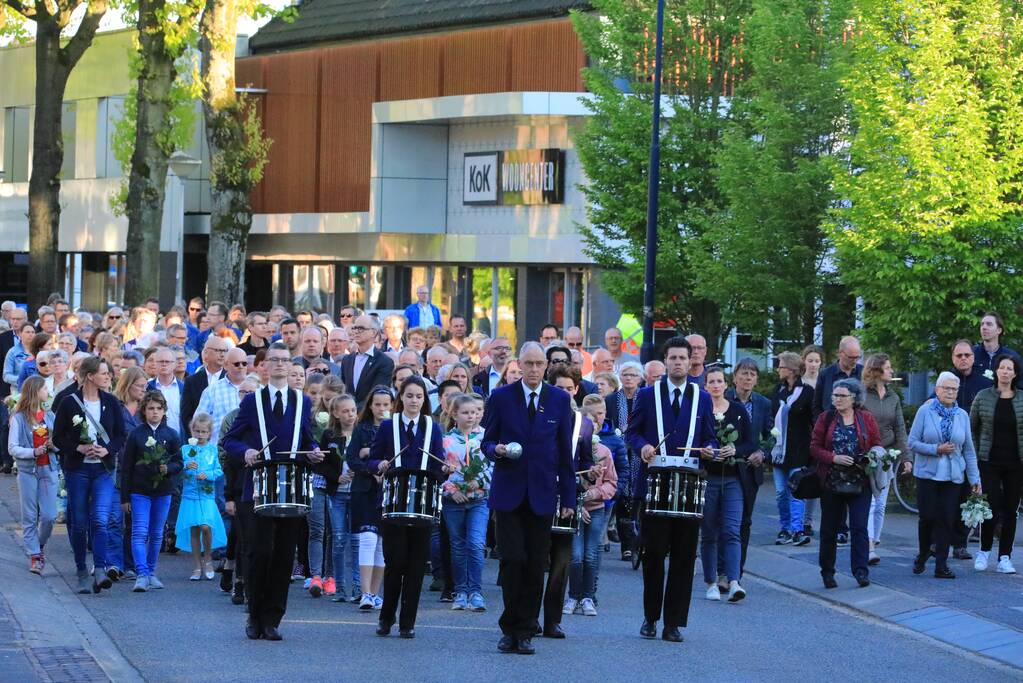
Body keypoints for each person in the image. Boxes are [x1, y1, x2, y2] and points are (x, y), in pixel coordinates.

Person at [222, 342, 324, 641]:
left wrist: (315, 451)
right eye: (274, 360)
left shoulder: (301, 401)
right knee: (258, 552)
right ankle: (254, 615)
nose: (280, 365)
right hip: (258, 488)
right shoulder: (252, 401)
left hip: (291, 487)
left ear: (292, 367)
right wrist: (247, 451)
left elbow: (306, 438)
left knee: (284, 555)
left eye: (285, 360)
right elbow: (230, 440)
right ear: (264, 367)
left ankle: (273, 618)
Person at [482, 342, 576, 655]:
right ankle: (509, 627)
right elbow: (487, 440)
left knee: (536, 564)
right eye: (529, 364)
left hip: (543, 493)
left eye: (539, 364)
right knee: (513, 560)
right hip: (508, 492)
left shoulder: (560, 400)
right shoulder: (501, 397)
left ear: (545, 366)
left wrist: (569, 499)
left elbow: (566, 454)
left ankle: (525, 630)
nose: (534, 369)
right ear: (519, 365)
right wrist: (494, 450)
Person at [626, 336, 717, 643]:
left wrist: (710, 449)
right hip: (655, 483)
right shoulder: (647, 395)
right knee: (653, 554)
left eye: (683, 358)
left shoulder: (701, 397)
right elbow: (632, 433)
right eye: (673, 357)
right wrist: (644, 447)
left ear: (691, 361)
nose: (678, 362)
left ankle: (673, 622)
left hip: (689, 486)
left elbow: (710, 437)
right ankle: (651, 617)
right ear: (665, 361)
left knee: (683, 555)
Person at [369, 376, 447, 639]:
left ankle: (408, 622)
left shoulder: (432, 428)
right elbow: (374, 458)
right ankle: (386, 617)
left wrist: (445, 470)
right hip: (394, 503)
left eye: (419, 396)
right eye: (410, 395)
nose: (414, 401)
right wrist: (378, 465)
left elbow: (438, 465)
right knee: (395, 563)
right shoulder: (388, 427)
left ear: (424, 400)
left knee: (415, 566)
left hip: (423, 505)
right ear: (400, 397)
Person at [53, 356, 126, 594]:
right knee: (79, 522)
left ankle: (101, 568)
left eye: (108, 373)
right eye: (104, 373)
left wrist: (107, 449)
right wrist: (78, 447)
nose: (108, 377)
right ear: (90, 375)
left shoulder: (112, 402)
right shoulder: (68, 402)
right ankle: (81, 570)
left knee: (100, 519)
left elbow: (120, 435)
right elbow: (58, 438)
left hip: (103, 469)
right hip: (78, 469)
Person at [908, 372, 981, 579]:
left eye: (954, 389)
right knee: (927, 518)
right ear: (937, 389)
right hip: (927, 475)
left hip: (953, 476)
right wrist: (936, 449)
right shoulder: (925, 411)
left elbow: (968, 449)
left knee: (947, 520)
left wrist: (975, 479)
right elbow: (912, 442)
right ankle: (923, 554)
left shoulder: (962, 415)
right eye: (946, 388)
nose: (950, 392)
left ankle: (941, 564)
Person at [810, 378, 882, 588]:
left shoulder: (865, 418)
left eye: (843, 396)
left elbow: (877, 444)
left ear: (854, 398)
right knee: (829, 529)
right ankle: (828, 572)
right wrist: (833, 457)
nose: (838, 399)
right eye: (835, 395)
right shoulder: (826, 418)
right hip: (832, 482)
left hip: (860, 482)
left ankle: (860, 572)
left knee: (859, 527)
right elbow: (814, 447)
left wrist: (872, 456)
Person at [119, 390, 183, 592]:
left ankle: (151, 571)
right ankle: (142, 573)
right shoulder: (136, 434)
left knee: (157, 534)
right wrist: (124, 496)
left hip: (163, 491)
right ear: (144, 411)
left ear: (164, 411)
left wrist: (168, 469)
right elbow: (126, 466)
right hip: (139, 491)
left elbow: (179, 462)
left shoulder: (171, 434)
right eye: (150, 408)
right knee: (139, 532)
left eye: (158, 408)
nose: (155, 412)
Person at [969, 354, 1022, 574]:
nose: (1006, 372)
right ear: (996, 371)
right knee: (989, 507)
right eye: (1002, 368)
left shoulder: (1021, 399)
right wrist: (973, 457)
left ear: (1015, 373)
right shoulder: (983, 397)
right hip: (988, 461)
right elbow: (971, 429)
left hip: (1016, 463)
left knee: (1011, 510)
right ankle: (984, 552)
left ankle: (1005, 557)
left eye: (1010, 368)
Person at [701, 367, 749, 602]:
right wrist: (706, 451)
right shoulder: (700, 410)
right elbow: (693, 440)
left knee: (731, 530)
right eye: (712, 381)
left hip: (732, 479)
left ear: (726, 385)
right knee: (709, 531)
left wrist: (736, 449)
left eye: (720, 381)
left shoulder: (738, 411)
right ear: (705, 385)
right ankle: (710, 581)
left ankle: (733, 581)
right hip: (707, 478)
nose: (716, 385)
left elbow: (750, 443)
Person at [566, 396, 617, 617]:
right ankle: (572, 596)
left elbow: (611, 482)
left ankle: (588, 596)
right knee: (575, 555)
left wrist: (593, 494)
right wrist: (579, 503)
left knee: (590, 554)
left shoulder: (604, 452)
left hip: (596, 509)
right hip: (576, 509)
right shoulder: (570, 452)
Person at [441, 393, 491, 612]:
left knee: (476, 543)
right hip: (454, 502)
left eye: (474, 412)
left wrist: (479, 481)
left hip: (479, 499)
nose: (471, 416)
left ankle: (476, 591)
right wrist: (452, 490)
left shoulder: (486, 439)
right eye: (465, 412)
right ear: (454, 414)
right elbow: (439, 470)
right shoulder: (446, 441)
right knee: (458, 546)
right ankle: (461, 591)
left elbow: (494, 467)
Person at [725, 357, 771, 576]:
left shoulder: (763, 403)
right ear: (734, 377)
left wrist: (762, 453)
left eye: (752, 374)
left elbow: (772, 436)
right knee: (723, 520)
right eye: (744, 373)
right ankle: (721, 568)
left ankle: (736, 570)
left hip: (751, 471)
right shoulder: (724, 399)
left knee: (744, 521)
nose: (748, 377)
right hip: (726, 468)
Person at [861, 354, 908, 565]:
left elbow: (900, 428)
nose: (891, 371)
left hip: (888, 455)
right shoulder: (862, 395)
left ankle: (875, 539)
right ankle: (869, 545)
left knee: (880, 504)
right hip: (868, 455)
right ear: (877, 371)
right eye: (888, 368)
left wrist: (906, 457)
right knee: (870, 502)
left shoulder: (893, 397)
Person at [9, 376, 58, 574]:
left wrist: (55, 446)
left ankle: (39, 546)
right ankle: (35, 556)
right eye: (45, 388)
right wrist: (32, 452)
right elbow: (12, 447)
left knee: (49, 516)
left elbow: (60, 441)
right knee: (29, 516)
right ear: (35, 391)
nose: (47, 392)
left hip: (49, 469)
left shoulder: (50, 416)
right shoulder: (19, 417)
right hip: (28, 471)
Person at [349, 387, 392, 610]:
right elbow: (352, 459)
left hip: (387, 490)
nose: (382, 409)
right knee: (367, 538)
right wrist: (370, 470)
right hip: (365, 489)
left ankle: (375, 593)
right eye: (377, 404)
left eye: (386, 404)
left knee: (381, 543)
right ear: (370, 406)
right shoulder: (362, 429)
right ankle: (365, 592)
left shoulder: (395, 429)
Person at [316, 394, 361, 602]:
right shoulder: (330, 435)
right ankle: (340, 586)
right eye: (345, 411)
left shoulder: (362, 433)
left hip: (358, 493)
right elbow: (321, 463)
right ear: (335, 413)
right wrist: (337, 477)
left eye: (352, 410)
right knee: (338, 539)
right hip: (337, 494)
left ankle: (359, 586)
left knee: (357, 540)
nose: (350, 414)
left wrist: (358, 471)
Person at [175, 412, 228, 580]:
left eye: (204, 432)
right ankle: (197, 565)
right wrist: (185, 466)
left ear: (209, 433)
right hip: (190, 495)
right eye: (197, 431)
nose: (200, 435)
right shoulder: (185, 449)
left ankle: (208, 559)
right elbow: (178, 471)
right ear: (192, 431)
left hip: (206, 495)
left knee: (206, 526)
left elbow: (219, 470)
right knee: (194, 528)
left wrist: (208, 474)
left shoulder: (212, 450)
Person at [770, 352, 815, 547]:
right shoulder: (778, 391)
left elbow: (812, 420)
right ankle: (785, 527)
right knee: (781, 492)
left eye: (781, 366)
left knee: (796, 491)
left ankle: (797, 530)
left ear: (791, 370)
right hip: (780, 450)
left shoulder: (806, 392)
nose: (778, 369)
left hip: (799, 449)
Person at [604, 361, 640, 560]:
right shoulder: (611, 400)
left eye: (633, 375)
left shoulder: (645, 398)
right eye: (625, 374)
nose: (629, 378)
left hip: (639, 453)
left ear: (640, 378)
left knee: (637, 497)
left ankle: (638, 541)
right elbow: (607, 424)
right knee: (622, 496)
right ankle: (627, 545)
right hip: (618, 451)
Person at [342, 315, 396, 408]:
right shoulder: (347, 360)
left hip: (369, 417)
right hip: (347, 417)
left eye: (361, 328)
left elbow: (377, 395)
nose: (357, 331)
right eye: (355, 328)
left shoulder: (384, 362)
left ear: (373, 332)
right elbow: (343, 390)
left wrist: (354, 410)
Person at [813, 336, 863, 419]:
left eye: (857, 357)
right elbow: (817, 405)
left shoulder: (863, 373)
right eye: (851, 357)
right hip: (830, 426)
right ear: (840, 353)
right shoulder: (825, 374)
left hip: (858, 427)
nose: (854, 361)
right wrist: (820, 425)